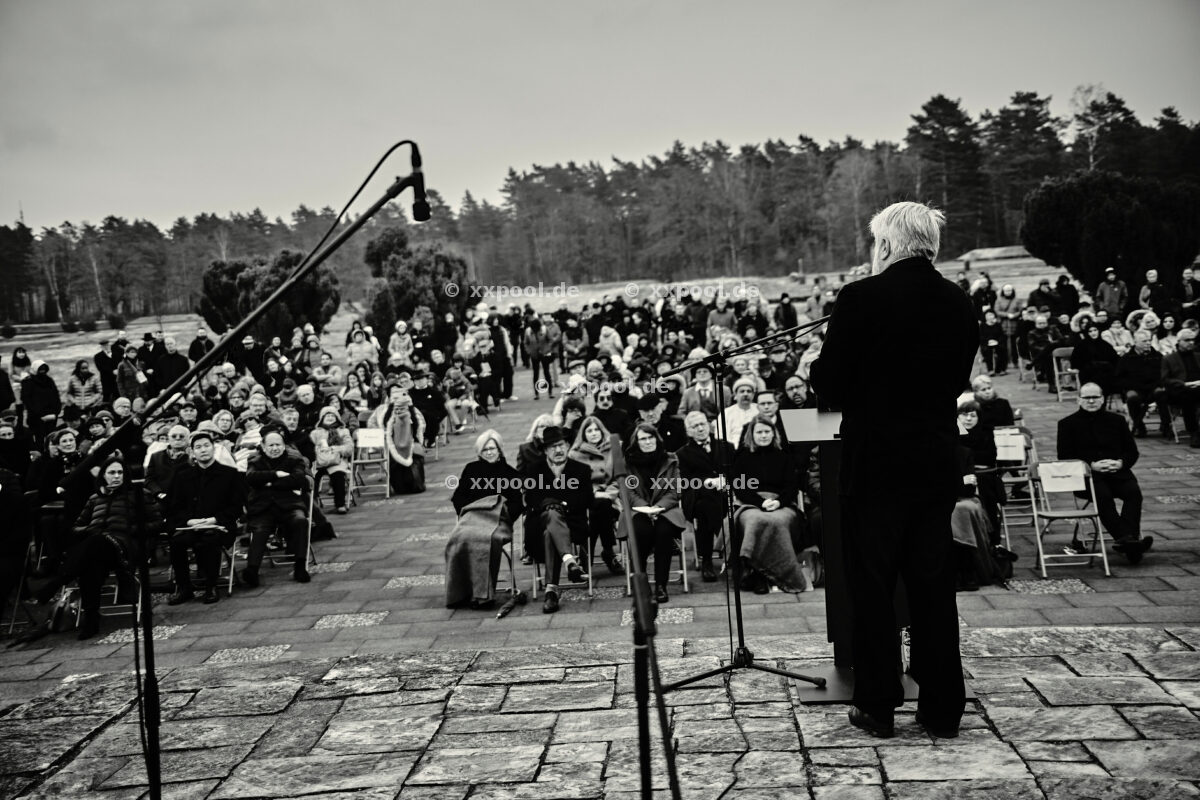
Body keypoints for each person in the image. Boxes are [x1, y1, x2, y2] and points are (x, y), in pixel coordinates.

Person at [810, 201, 977, 740]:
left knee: (874, 588)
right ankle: (943, 707)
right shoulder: (958, 302)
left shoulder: (860, 298)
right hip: (932, 462)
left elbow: (829, 387)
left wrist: (821, 364)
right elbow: (952, 380)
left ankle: (879, 705)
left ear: (885, 245)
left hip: (875, 465)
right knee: (933, 586)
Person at [1057, 382, 1153, 561]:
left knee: (1133, 493)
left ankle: (1128, 541)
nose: (1091, 401)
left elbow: (1132, 451)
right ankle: (1128, 541)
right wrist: (1090, 465)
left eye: (1095, 397)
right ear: (1079, 399)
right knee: (1103, 495)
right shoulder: (1067, 424)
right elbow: (1065, 456)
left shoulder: (1117, 420)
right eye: (1087, 397)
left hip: (1117, 473)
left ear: (1102, 399)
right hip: (1087, 477)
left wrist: (1120, 463)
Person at [445, 429, 525, 609]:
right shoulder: (471, 469)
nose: (489, 452)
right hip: (471, 517)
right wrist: (469, 511)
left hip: (497, 521)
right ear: (479, 452)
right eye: (485, 450)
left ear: (499, 450)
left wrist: (502, 512)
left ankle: (483, 596)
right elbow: (459, 497)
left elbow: (518, 503)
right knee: (458, 539)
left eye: (492, 448)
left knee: (485, 541)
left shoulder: (509, 473)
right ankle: (460, 594)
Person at [165, 429, 246, 605]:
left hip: (219, 525)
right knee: (176, 543)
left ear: (213, 448)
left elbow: (236, 507)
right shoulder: (183, 476)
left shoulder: (229, 474)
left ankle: (211, 586)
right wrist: (189, 520)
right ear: (192, 451)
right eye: (198, 447)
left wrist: (214, 520)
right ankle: (185, 588)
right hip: (191, 525)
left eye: (206, 446)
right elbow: (175, 506)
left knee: (210, 539)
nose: (203, 450)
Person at [730, 417, 809, 594]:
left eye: (767, 431)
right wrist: (761, 502)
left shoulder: (784, 457)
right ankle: (757, 573)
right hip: (750, 504)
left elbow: (791, 486)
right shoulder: (742, 457)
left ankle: (769, 573)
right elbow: (740, 487)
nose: (763, 435)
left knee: (778, 523)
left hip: (781, 504)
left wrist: (779, 502)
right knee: (755, 521)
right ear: (752, 434)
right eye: (759, 432)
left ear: (774, 433)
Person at [520, 425, 592, 614]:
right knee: (549, 516)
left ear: (568, 445)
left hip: (572, 523)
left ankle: (551, 590)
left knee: (549, 532)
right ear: (545, 450)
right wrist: (548, 505)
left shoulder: (581, 470)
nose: (558, 450)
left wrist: (563, 505)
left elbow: (587, 498)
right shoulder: (534, 470)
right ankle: (570, 562)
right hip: (539, 522)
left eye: (561, 445)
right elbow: (531, 499)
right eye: (552, 447)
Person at [622, 422, 687, 603]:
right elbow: (629, 492)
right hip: (638, 510)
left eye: (651, 438)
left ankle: (661, 585)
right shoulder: (628, 463)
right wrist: (646, 508)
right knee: (641, 531)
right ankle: (641, 585)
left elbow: (675, 491)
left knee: (663, 531)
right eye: (643, 439)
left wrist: (658, 508)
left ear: (657, 439)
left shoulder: (670, 459)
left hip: (666, 510)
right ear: (637, 442)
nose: (648, 442)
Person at [240, 429, 312, 587]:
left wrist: (268, 483)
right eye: (271, 445)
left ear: (284, 445)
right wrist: (276, 474)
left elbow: (298, 480)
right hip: (263, 507)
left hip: (290, 505)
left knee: (301, 521)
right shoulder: (255, 460)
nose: (275, 448)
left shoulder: (295, 459)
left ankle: (300, 566)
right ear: (263, 447)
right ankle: (252, 570)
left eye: (278, 444)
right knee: (259, 529)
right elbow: (251, 478)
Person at [675, 410, 734, 581]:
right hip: (696, 496)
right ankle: (725, 549)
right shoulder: (682, 454)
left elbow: (735, 472)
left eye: (702, 424)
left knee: (707, 508)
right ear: (688, 432)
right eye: (695, 426)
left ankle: (707, 559)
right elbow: (685, 481)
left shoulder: (726, 447)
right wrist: (708, 482)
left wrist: (724, 481)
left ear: (709, 425)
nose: (700, 428)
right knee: (704, 505)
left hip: (725, 495)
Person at [568, 416, 624, 575]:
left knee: (602, 507)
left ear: (602, 430)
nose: (593, 433)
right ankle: (609, 552)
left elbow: (619, 478)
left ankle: (586, 554)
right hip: (585, 500)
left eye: (596, 430)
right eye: (589, 430)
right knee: (597, 508)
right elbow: (574, 483)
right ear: (583, 434)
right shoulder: (574, 453)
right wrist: (593, 494)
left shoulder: (615, 449)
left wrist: (608, 494)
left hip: (610, 499)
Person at [1116, 330, 1169, 438]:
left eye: (1149, 340)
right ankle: (1139, 426)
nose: (1148, 343)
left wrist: (1156, 384)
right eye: (1144, 341)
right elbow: (1120, 378)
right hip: (1135, 388)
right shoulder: (1126, 358)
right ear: (1135, 342)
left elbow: (1164, 375)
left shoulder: (1158, 356)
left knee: (1162, 394)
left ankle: (1166, 424)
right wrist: (1133, 385)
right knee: (1132, 398)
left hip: (1153, 387)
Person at [1160, 327, 1200, 447]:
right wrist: (1183, 384)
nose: (1191, 343)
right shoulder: (1169, 358)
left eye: (1193, 340)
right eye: (1187, 340)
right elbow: (1165, 379)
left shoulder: (1198, 356)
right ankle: (1194, 432)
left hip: (1198, 387)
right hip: (1180, 390)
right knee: (1189, 397)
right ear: (1179, 341)